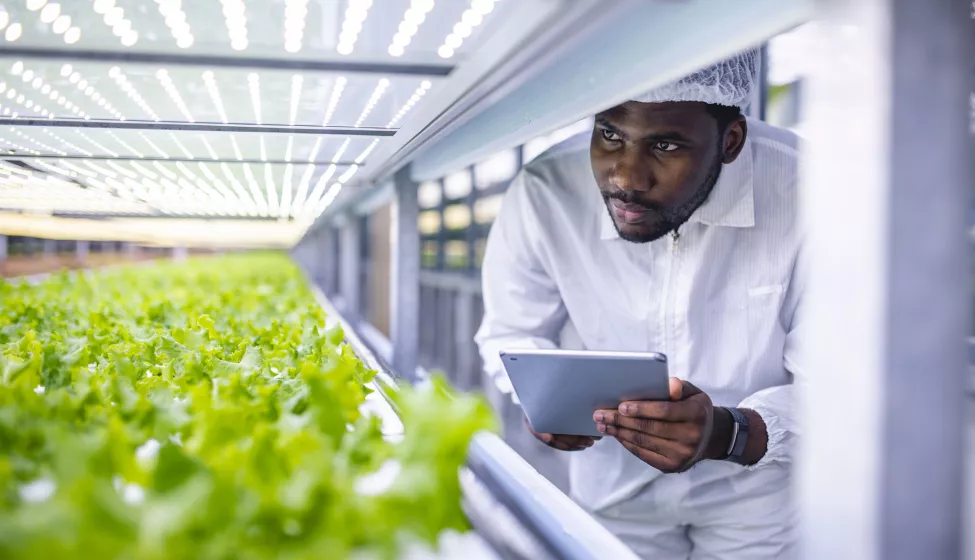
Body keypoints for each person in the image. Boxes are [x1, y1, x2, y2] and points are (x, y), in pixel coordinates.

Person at [474, 50, 803, 559]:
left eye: (665, 145)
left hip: (758, 498)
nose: (626, 176)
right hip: (612, 491)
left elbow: (845, 385)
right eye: (610, 135)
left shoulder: (812, 193)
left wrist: (731, 433)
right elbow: (509, 330)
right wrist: (538, 397)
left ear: (731, 141)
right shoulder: (547, 192)